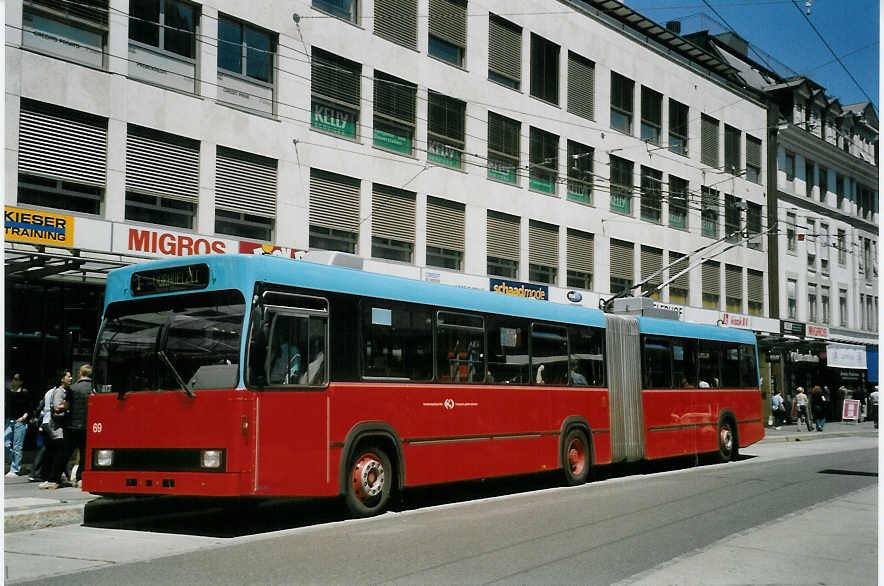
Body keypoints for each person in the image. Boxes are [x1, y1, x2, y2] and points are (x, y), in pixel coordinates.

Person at [40, 370, 72, 489]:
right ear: (62, 379)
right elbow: (56, 408)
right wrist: (67, 407)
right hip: (56, 426)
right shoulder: (59, 392)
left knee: (53, 451)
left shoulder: (54, 391)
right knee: (60, 451)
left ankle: (55, 476)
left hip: (49, 424)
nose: (71, 378)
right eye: (68, 376)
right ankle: (53, 477)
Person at [62, 364, 93, 487]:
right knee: (85, 453)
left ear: (80, 373)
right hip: (87, 426)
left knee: (66, 452)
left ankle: (60, 475)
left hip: (72, 425)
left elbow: (66, 406)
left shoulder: (72, 388)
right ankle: (80, 477)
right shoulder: (94, 389)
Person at [5, 373, 33, 477]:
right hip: (9, 420)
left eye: (16, 379)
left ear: (20, 382)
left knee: (17, 446)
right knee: (5, 442)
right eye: (13, 379)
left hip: (20, 421)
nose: (13, 381)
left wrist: (24, 417)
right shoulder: (8, 392)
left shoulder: (24, 393)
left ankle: (15, 469)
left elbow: (29, 407)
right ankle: (13, 462)